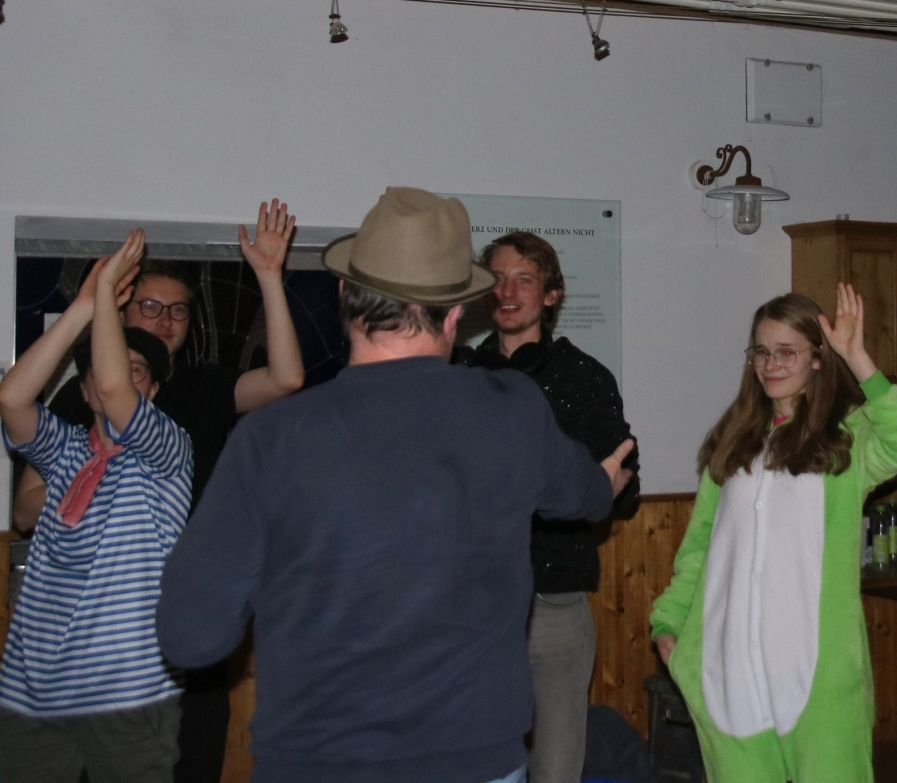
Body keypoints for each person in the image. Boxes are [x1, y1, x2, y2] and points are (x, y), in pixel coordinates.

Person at [156, 187, 635, 783]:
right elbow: (587, 495)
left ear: (343, 295)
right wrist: (604, 479)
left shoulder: (272, 436)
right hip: (476, 764)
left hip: (318, 766)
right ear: (456, 312)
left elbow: (191, 637)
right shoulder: (513, 409)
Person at [17, 199, 303, 783]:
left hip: (190, 612)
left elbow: (286, 379)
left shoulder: (204, 385)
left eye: (178, 310)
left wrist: (270, 277)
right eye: (149, 306)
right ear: (120, 310)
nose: (165, 320)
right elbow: (26, 509)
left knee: (194, 755)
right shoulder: (81, 395)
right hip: (102, 626)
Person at [650, 285, 897, 783]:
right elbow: (701, 546)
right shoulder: (733, 443)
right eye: (761, 351)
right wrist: (669, 623)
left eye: (786, 352)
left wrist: (857, 356)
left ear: (817, 360)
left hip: (815, 673)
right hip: (728, 671)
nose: (771, 364)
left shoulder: (848, 440)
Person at [0, 229, 194, 783]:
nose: (120, 379)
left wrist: (106, 292)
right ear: (81, 392)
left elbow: (113, 388)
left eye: (138, 372)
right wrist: (82, 307)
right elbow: (12, 398)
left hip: (126, 691)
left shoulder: (166, 451)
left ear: (151, 392)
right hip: (31, 691)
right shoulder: (64, 450)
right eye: (108, 371)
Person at [454, 231, 640, 783]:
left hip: (553, 603)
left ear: (551, 295)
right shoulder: (459, 376)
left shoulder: (585, 377)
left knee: (556, 769)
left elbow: (624, 486)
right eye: (498, 280)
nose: (509, 292)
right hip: (470, 606)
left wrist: (591, 485)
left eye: (525, 279)